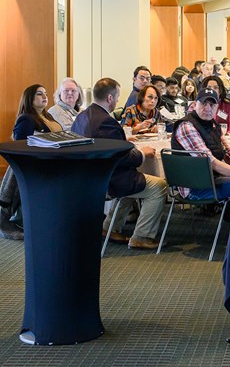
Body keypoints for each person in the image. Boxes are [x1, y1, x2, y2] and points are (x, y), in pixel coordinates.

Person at [72, 78, 167, 249]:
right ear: (109, 98)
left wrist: (124, 140)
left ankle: (109, 227)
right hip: (108, 178)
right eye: (116, 97)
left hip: (88, 175)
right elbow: (121, 157)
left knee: (135, 181)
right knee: (159, 186)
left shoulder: (82, 116)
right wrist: (142, 154)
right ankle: (142, 236)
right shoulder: (106, 122)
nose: (117, 101)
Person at [172, 87, 230, 200]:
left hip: (211, 180)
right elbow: (210, 162)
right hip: (194, 187)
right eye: (204, 103)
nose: (208, 108)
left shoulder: (214, 125)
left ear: (217, 107)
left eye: (212, 105)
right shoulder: (186, 126)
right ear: (195, 105)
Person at [2, 85, 64, 240]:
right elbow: (21, 146)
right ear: (29, 98)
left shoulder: (48, 116)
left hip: (55, 161)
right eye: (39, 94)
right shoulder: (26, 118)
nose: (44, 96)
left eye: (46, 93)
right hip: (36, 165)